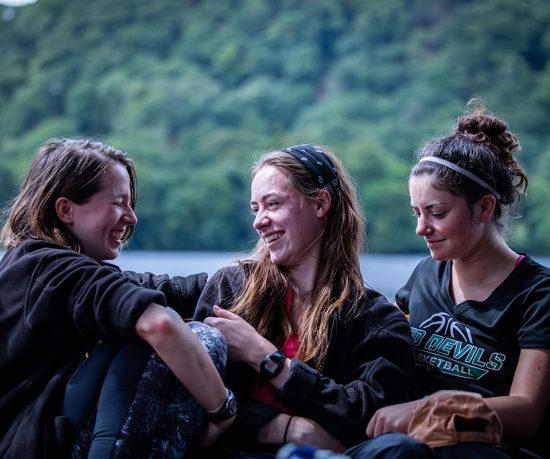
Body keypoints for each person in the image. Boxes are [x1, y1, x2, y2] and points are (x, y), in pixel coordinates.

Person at [0, 138, 236, 459]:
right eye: (118, 202)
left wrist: (259, 272)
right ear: (66, 209)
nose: (131, 217)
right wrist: (223, 410)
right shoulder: (48, 268)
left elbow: (171, 289)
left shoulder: (43, 266)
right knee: (199, 337)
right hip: (30, 446)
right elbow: (160, 325)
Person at [346, 103, 550, 459]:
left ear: (484, 208)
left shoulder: (538, 294)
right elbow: (385, 353)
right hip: (408, 441)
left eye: (437, 213)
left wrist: (427, 409)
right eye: (417, 212)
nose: (421, 228)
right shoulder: (426, 274)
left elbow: (527, 411)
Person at [192, 144, 415, 458]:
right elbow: (196, 399)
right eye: (256, 208)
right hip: (233, 453)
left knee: (401, 450)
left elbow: (364, 419)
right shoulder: (232, 288)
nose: (259, 221)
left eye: (273, 204)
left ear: (321, 203)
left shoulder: (375, 320)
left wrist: (266, 357)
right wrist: (289, 427)